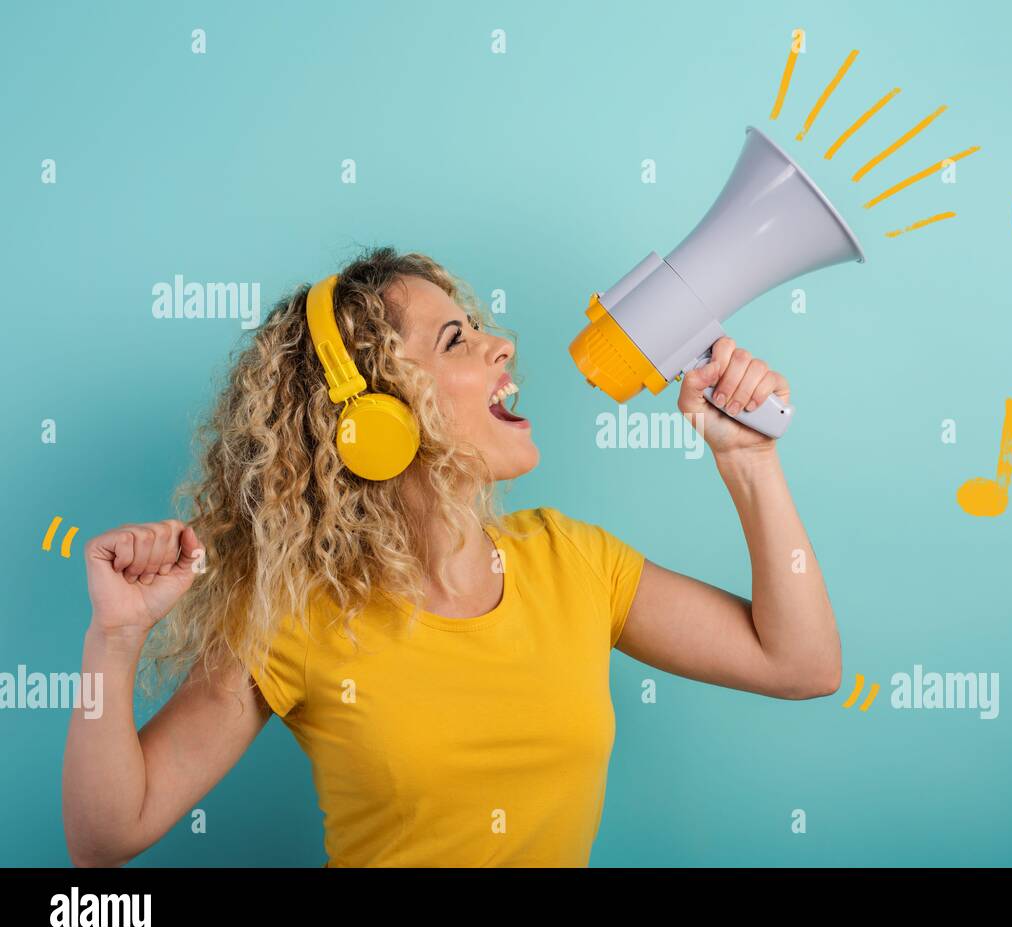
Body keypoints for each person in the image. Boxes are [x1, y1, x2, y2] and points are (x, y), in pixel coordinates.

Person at [61, 247, 841, 867]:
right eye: (457, 339)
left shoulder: (575, 562)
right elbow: (106, 837)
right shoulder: (296, 617)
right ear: (375, 414)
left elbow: (801, 664)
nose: (502, 344)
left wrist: (749, 462)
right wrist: (114, 639)